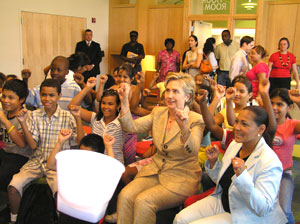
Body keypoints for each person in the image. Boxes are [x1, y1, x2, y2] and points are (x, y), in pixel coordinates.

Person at [173, 105, 287, 224]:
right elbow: (223, 181)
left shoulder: (270, 161)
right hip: (223, 201)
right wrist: (214, 163)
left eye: (244, 124)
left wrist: (243, 176)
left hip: (246, 214)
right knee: (180, 219)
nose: (236, 127)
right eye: (237, 121)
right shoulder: (235, 145)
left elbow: (262, 208)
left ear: (261, 129)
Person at [117, 73, 204, 224]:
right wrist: (124, 100)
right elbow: (129, 126)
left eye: (175, 91)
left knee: (144, 201)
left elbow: (193, 149)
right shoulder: (158, 113)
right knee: (125, 195)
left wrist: (184, 127)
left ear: (188, 97)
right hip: (155, 170)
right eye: (168, 90)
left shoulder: (196, 120)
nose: (169, 95)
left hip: (181, 177)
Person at [7, 79, 78, 224]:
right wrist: (23, 123)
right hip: (37, 161)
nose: (47, 99)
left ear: (59, 95)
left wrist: (77, 119)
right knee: (13, 187)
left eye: (51, 95)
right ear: (39, 95)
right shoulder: (34, 115)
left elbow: (77, 142)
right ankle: (14, 219)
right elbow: (32, 146)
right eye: (44, 95)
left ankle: (60, 219)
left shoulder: (68, 116)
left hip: (57, 165)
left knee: (60, 193)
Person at [68, 77, 125, 164]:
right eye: (103, 103)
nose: (106, 107)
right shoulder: (95, 118)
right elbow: (72, 106)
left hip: (114, 164)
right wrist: (87, 87)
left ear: (118, 106)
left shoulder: (122, 121)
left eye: (110, 104)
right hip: (94, 162)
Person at [270, 88, 300, 223]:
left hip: (284, 174)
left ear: (289, 107)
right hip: (265, 173)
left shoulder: (292, 125)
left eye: (280, 104)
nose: (275, 107)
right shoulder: (265, 124)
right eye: (272, 103)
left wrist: (299, 102)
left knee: (284, 210)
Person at [0, 80, 31, 200]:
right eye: (3, 96)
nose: (5, 100)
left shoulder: (26, 116)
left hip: (21, 157)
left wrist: (5, 121)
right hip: (5, 153)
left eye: (11, 98)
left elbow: (21, 143)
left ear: (21, 100)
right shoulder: (4, 113)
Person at [25, 56, 92, 110]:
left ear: (67, 72)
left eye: (59, 70)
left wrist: (82, 84)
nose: (55, 73)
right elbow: (25, 98)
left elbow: (88, 103)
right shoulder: (43, 87)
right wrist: (25, 80)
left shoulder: (73, 87)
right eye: (53, 69)